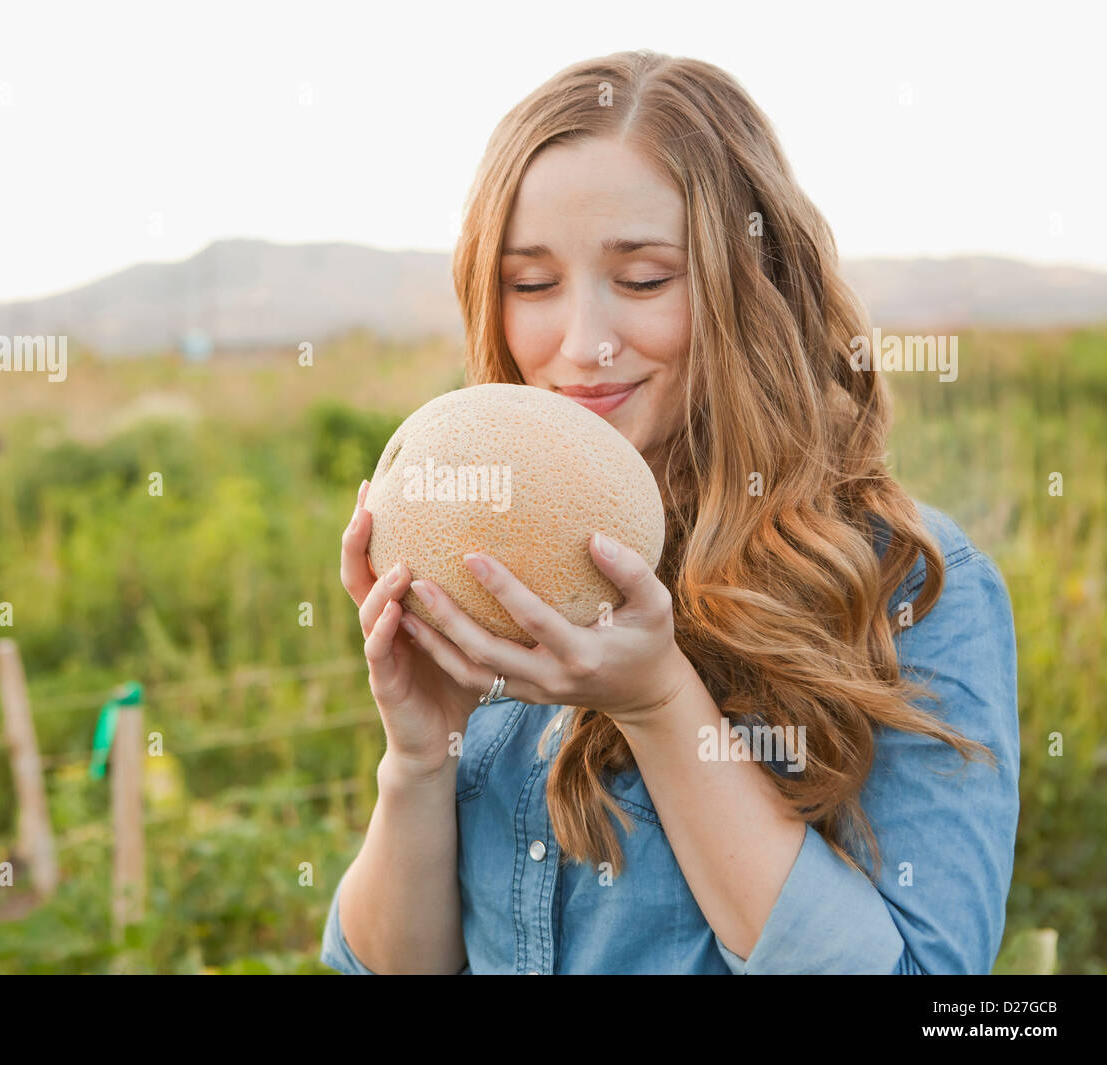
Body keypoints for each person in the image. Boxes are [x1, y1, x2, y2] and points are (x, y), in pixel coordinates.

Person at [321, 50, 1019, 974]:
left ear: (752, 283)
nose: (582, 342)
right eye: (531, 284)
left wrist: (657, 703)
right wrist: (418, 755)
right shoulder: (486, 562)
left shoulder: (908, 590)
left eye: (645, 279)